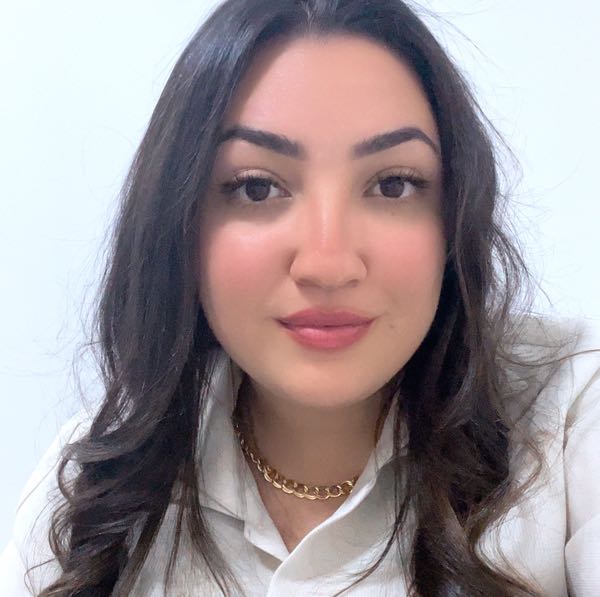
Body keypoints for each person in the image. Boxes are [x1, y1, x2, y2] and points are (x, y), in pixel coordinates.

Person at [1, 0, 599, 595]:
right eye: (257, 188)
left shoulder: (571, 414)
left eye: (393, 185)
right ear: (177, 223)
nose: (327, 264)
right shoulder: (92, 488)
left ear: (455, 213)